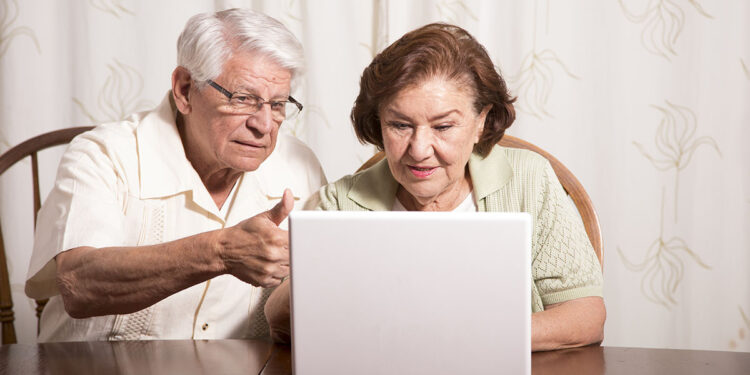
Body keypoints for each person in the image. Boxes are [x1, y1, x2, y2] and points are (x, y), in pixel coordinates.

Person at [265, 23, 605, 351]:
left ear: (481, 122)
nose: (419, 149)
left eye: (442, 126)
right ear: (379, 124)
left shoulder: (532, 181)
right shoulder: (339, 201)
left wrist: (470, 338)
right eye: (400, 125)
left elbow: (586, 316)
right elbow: (278, 319)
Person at [24, 9, 326, 342]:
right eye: (243, 98)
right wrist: (221, 250)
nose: (265, 125)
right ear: (184, 90)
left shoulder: (300, 167)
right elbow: (78, 285)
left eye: (279, 104)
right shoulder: (102, 154)